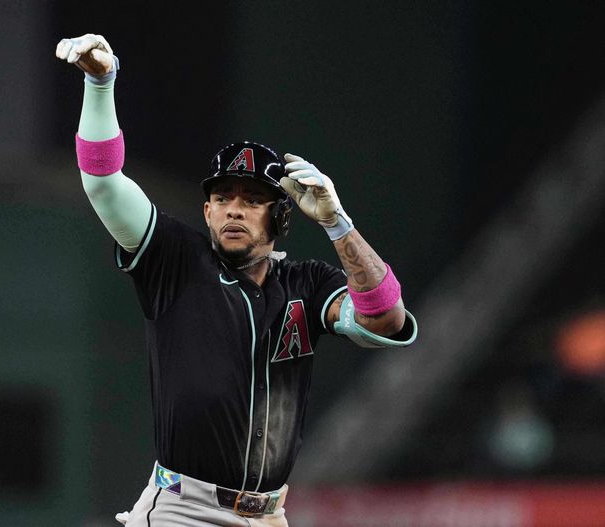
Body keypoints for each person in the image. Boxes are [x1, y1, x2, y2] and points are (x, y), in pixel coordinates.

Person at [55, 33, 418, 527]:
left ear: (280, 218)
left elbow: (387, 318)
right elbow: (102, 181)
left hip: (269, 515)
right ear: (206, 210)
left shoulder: (307, 285)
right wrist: (101, 83)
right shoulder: (174, 258)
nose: (234, 209)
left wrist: (338, 225)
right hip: (182, 510)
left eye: (251, 199)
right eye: (223, 197)